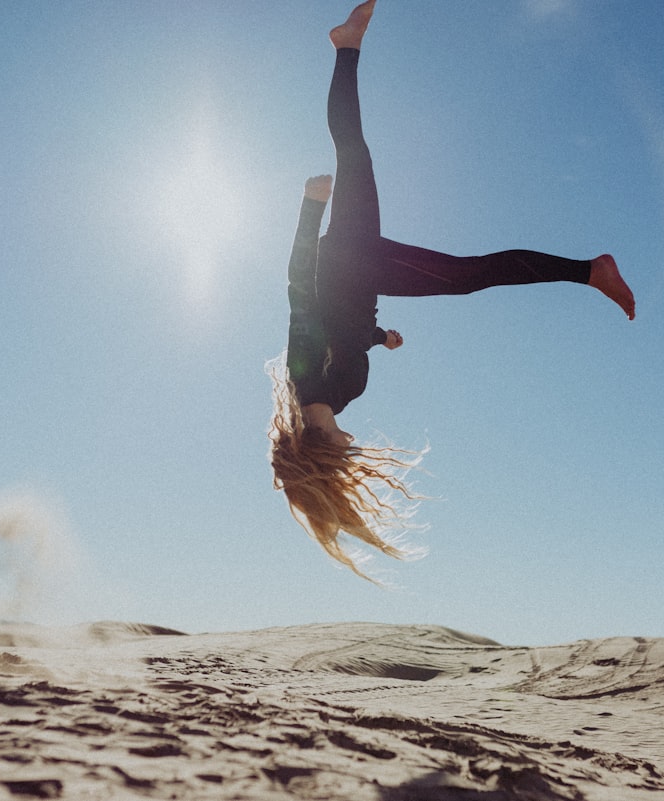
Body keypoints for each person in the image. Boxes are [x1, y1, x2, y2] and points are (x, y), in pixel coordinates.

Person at [270, 0, 635, 580]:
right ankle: (590, 271)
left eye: (336, 465)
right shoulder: (341, 395)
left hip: (346, 260)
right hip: (368, 276)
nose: (351, 456)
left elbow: (300, 294)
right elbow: (344, 328)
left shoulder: (305, 378)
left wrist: (310, 211)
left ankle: (591, 271)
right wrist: (379, 335)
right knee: (458, 265)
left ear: (315, 449)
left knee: (455, 262)